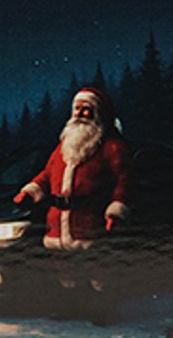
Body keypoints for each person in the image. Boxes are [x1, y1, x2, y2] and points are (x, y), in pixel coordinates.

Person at [14, 85, 132, 249]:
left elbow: (124, 181)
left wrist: (116, 210)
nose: (80, 114)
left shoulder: (112, 148)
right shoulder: (64, 146)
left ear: (98, 113)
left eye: (86, 109)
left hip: (90, 229)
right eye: (77, 108)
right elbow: (48, 174)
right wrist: (31, 191)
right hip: (56, 233)